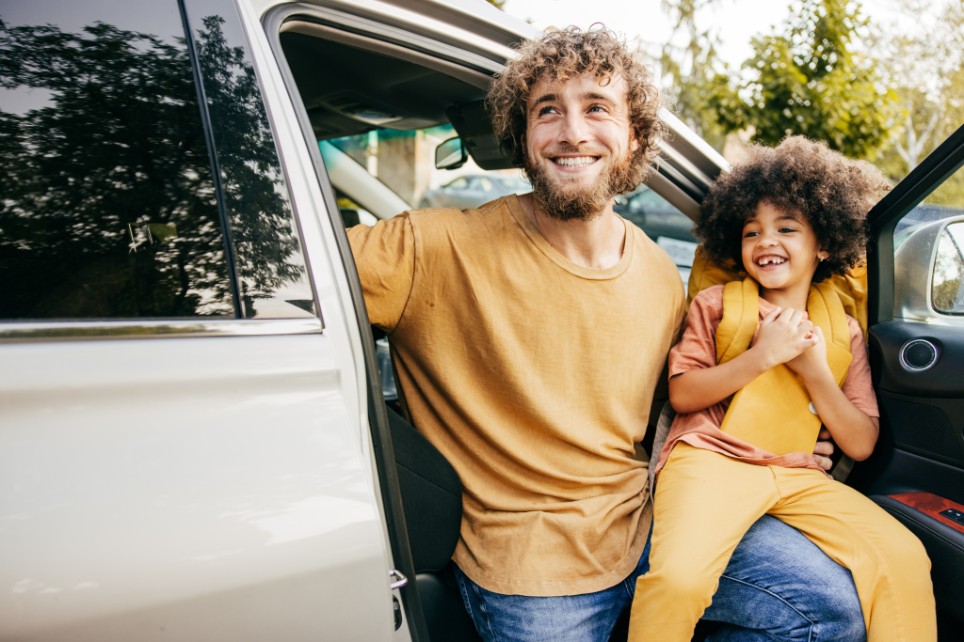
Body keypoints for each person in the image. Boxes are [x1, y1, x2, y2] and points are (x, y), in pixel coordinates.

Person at [349, 26, 866, 642]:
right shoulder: (426, 247)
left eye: (597, 108)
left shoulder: (657, 271)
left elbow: (679, 404)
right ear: (521, 135)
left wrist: (775, 451)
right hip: (528, 561)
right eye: (548, 111)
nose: (572, 132)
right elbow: (274, 272)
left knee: (827, 609)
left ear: (634, 137)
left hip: (650, 517)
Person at [628, 136, 936, 642]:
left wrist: (814, 370)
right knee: (680, 579)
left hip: (795, 471)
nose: (766, 241)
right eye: (752, 232)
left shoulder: (843, 332)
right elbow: (683, 394)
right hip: (711, 459)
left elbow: (859, 442)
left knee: (902, 557)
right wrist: (761, 355)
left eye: (786, 228)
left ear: (826, 244)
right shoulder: (718, 305)